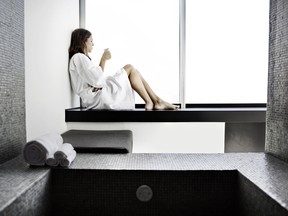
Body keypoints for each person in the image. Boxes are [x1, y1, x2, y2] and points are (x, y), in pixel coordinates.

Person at [68, 28, 178, 110]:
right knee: (130, 68)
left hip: (96, 96)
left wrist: (103, 60)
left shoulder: (81, 58)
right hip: (96, 98)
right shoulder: (78, 57)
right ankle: (153, 101)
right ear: (83, 41)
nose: (93, 44)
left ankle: (155, 101)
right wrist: (103, 59)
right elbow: (97, 80)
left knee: (134, 71)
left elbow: (95, 78)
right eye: (91, 41)